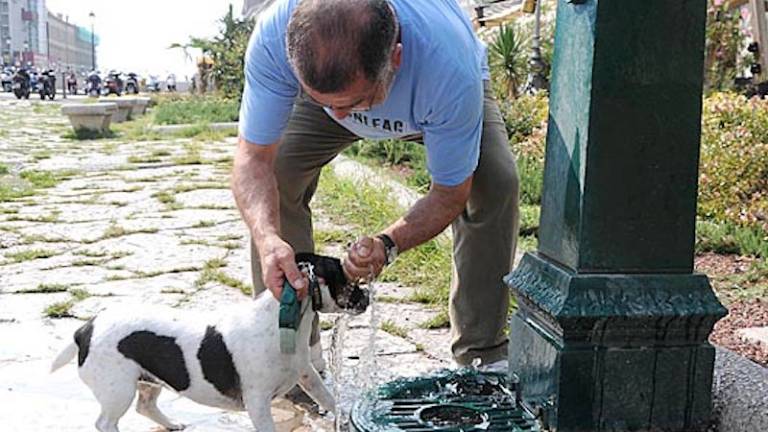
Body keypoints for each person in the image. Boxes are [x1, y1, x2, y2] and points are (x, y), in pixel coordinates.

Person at [233, 0, 519, 370]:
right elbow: (253, 159)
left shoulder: (448, 66)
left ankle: (482, 354)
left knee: (494, 182)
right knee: (278, 174)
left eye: (353, 103)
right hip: (340, 84)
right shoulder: (275, 35)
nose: (340, 115)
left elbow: (450, 193)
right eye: (326, 103)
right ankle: (292, 359)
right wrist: (267, 239)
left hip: (429, 93)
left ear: (396, 58)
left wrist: (389, 243)